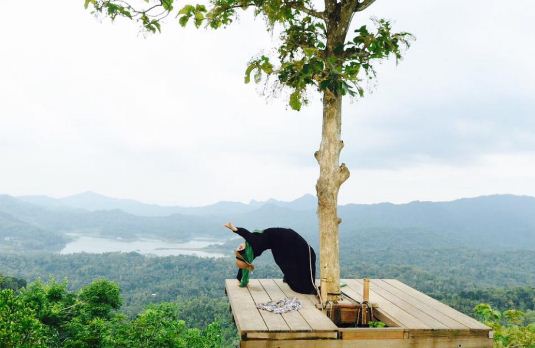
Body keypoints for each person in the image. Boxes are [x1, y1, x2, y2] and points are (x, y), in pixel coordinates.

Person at [224, 222, 317, 294]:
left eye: (239, 248)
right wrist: (235, 229)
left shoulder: (250, 245)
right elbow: (245, 266)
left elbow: (246, 235)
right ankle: (299, 282)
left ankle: (304, 284)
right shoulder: (252, 245)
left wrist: (235, 229)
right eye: (240, 249)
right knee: (285, 261)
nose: (239, 246)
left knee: (295, 258)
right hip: (284, 240)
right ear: (244, 253)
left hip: (287, 238)